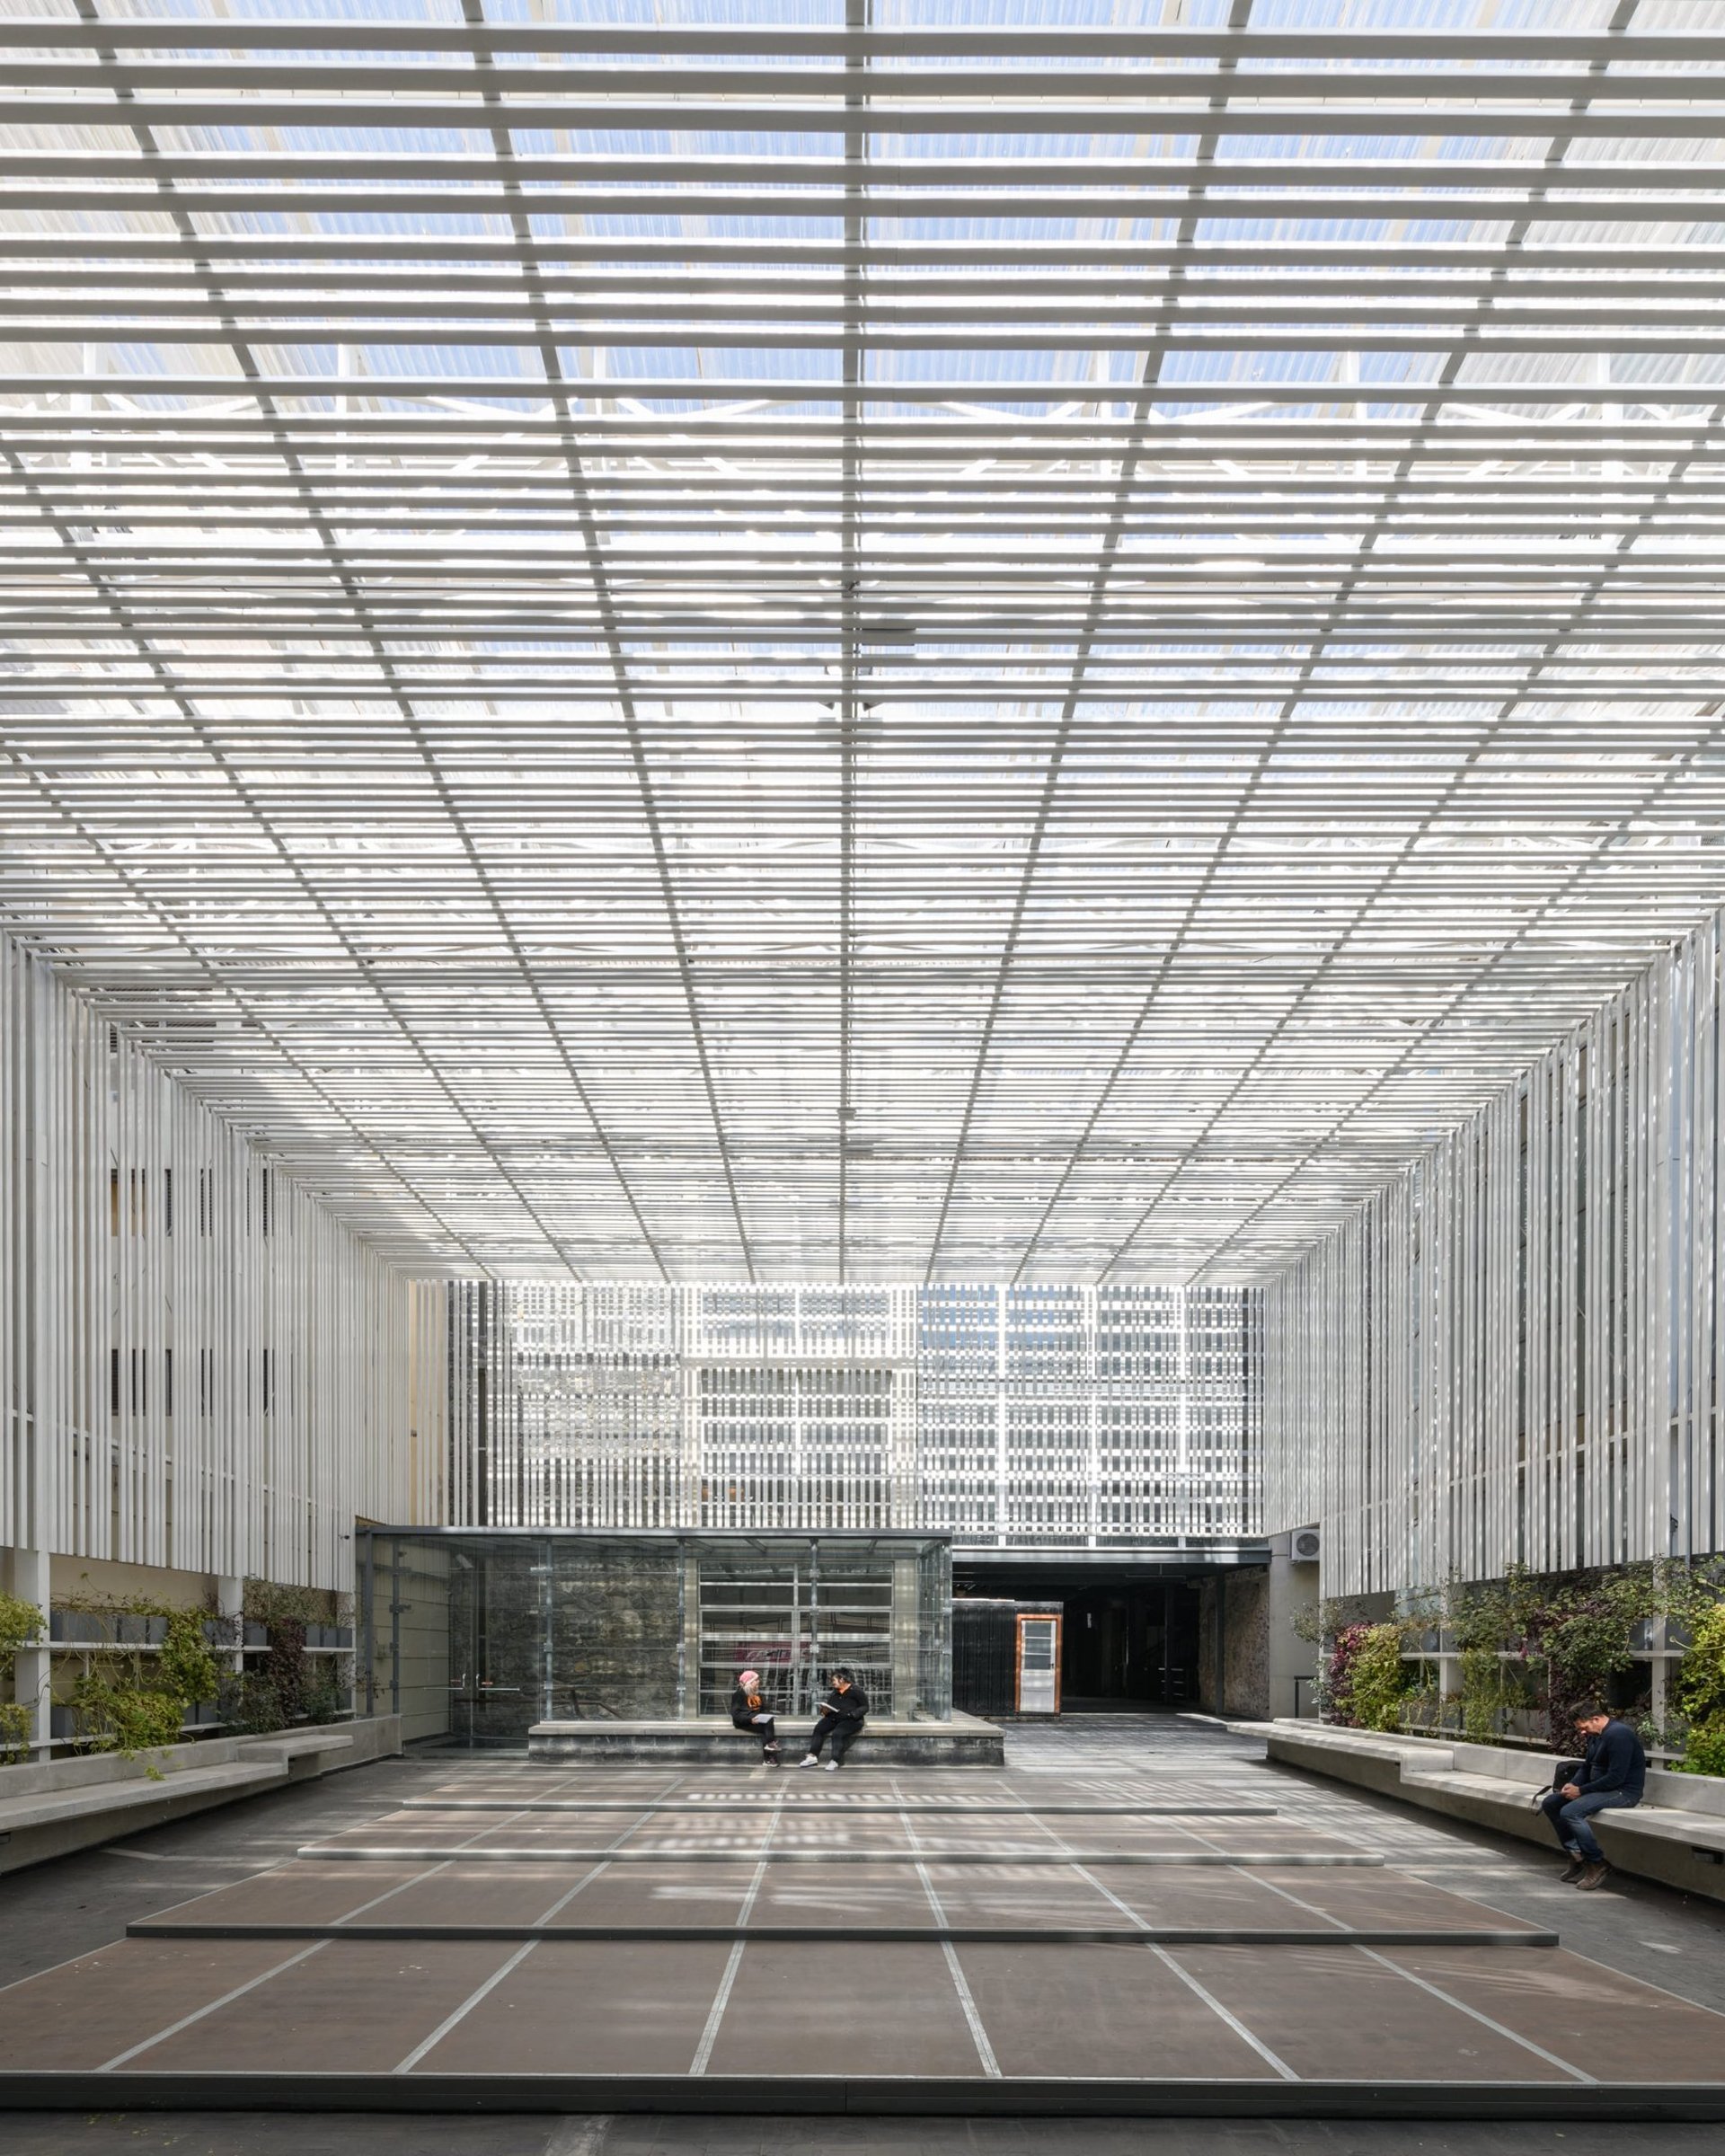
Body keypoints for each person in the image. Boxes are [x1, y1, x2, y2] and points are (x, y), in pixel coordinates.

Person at [1538, 1701, 1646, 1889]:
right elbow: (1588, 1766)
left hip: (1623, 1792)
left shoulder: (1619, 1735)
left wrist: (1581, 1791)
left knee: (1571, 1812)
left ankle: (1597, 1863)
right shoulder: (1595, 1735)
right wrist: (1573, 1784)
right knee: (1551, 1803)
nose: (1582, 1732)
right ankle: (1576, 1854)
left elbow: (1616, 1778)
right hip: (1600, 1788)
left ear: (1596, 1719)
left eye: (1584, 1727)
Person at [799, 1666, 868, 1772]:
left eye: (834, 1680)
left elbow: (865, 1707)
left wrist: (852, 1714)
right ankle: (812, 1756)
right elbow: (831, 1704)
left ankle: (835, 1760)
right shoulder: (835, 1691)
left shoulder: (856, 1691)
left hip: (852, 1720)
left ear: (842, 1680)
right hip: (835, 1717)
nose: (832, 1683)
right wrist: (825, 1710)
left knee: (837, 1733)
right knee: (819, 1728)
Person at [730, 1669, 780, 1764]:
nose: (758, 1682)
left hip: (757, 1719)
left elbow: (764, 1709)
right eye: (756, 1680)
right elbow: (735, 1714)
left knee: (768, 1722)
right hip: (744, 1722)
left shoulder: (758, 1694)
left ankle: (769, 1755)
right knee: (767, 1730)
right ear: (749, 1682)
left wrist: (767, 1714)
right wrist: (750, 1720)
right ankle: (769, 1755)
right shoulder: (738, 1695)